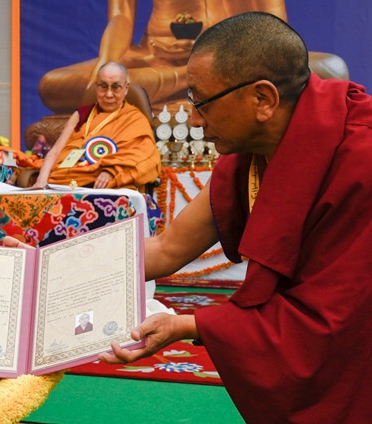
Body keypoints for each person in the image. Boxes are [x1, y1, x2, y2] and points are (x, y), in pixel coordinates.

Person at [98, 12, 372, 422]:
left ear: (263, 99)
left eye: (200, 101)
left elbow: (333, 325)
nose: (192, 119)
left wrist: (188, 325)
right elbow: (168, 248)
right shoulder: (250, 155)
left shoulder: (361, 160)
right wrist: (42, 269)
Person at [38, 0, 349, 114]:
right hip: (153, 58)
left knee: (332, 69)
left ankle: (200, 79)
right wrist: (106, 70)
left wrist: (224, 52)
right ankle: (195, 82)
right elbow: (120, 18)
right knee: (53, 84)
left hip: (231, 56)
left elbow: (275, 33)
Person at [31, 62, 160, 190]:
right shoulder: (81, 115)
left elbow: (144, 156)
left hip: (106, 186)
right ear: (96, 87)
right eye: (103, 86)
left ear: (126, 88)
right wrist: (41, 181)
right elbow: (56, 151)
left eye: (115, 87)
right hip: (65, 182)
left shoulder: (135, 119)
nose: (109, 94)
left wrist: (111, 171)